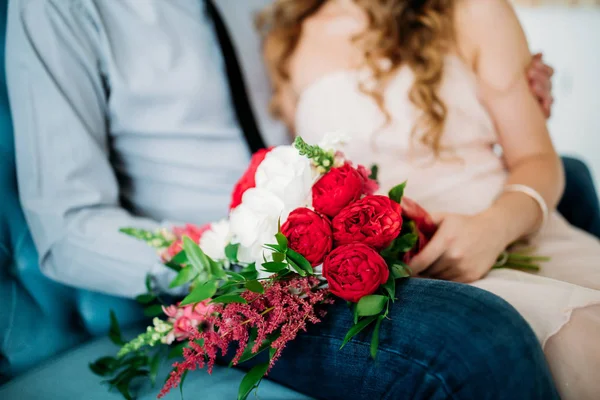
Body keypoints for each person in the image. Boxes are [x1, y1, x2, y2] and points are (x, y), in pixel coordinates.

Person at [5, 0, 560, 399]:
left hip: (338, 223)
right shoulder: (58, 9)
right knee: (480, 338)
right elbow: (67, 229)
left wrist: (500, 91)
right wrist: (238, 254)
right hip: (234, 279)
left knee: (570, 182)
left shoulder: (283, 13)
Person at [257, 0, 600, 398]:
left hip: (511, 230)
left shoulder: (474, 11)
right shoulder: (288, 37)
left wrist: (494, 227)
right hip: (407, 280)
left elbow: (538, 159)